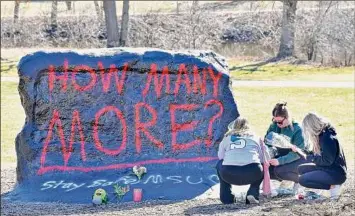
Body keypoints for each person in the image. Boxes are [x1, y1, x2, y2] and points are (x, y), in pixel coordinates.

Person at [291, 112, 347, 199]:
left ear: (312, 126)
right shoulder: (323, 134)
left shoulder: (327, 138)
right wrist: (299, 151)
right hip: (329, 168)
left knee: (303, 179)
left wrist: (311, 158)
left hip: (336, 173)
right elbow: (316, 154)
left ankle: (333, 187)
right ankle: (321, 186)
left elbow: (327, 161)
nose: (307, 131)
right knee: (301, 169)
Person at [216, 116, 268, 204]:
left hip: (229, 174)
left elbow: (220, 156)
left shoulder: (227, 138)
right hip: (252, 172)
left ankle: (226, 197)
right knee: (262, 165)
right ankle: (253, 193)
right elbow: (263, 158)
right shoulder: (255, 137)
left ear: (234, 126)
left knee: (219, 164)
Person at [265, 102, 310, 194]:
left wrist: (280, 161)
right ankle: (282, 182)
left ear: (287, 118)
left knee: (279, 170)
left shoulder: (297, 130)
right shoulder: (274, 126)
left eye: (280, 122)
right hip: (282, 155)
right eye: (275, 121)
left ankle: (300, 180)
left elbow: (298, 153)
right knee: (266, 168)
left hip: (299, 158)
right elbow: (267, 142)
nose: (277, 124)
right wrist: (267, 155)